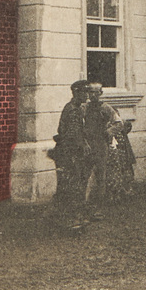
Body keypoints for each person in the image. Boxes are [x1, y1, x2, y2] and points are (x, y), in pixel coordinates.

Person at [50, 79, 91, 229]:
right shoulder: (73, 110)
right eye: (84, 92)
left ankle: (73, 217)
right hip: (69, 152)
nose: (87, 95)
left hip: (72, 151)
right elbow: (72, 133)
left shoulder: (77, 108)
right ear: (76, 93)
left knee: (73, 184)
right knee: (72, 185)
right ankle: (71, 219)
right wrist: (84, 144)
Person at [84, 81, 112, 219]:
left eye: (95, 92)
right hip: (87, 145)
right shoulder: (84, 108)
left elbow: (119, 123)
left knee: (101, 177)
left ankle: (99, 209)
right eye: (90, 92)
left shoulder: (106, 108)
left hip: (101, 145)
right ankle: (85, 206)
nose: (92, 95)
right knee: (85, 175)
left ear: (100, 93)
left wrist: (109, 131)